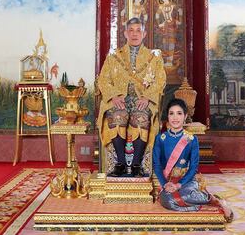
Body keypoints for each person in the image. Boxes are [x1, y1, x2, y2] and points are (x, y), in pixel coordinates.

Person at [97, 17, 166, 177]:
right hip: (119, 99)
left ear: (144, 34)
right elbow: (103, 79)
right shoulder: (114, 56)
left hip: (143, 99)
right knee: (117, 116)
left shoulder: (153, 57)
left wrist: (148, 97)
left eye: (138, 30)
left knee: (140, 117)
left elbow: (160, 80)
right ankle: (120, 164)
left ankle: (136, 165)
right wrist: (113, 96)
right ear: (125, 33)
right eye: (131, 30)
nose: (134, 34)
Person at [152, 98, 233, 222]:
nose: (175, 117)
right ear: (167, 116)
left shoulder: (191, 139)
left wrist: (179, 184)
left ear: (185, 116)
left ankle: (215, 200)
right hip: (167, 180)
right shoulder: (160, 138)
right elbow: (157, 165)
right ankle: (202, 204)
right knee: (167, 201)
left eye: (179, 113)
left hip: (187, 180)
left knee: (185, 195)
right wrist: (165, 184)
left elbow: (194, 167)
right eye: (171, 113)